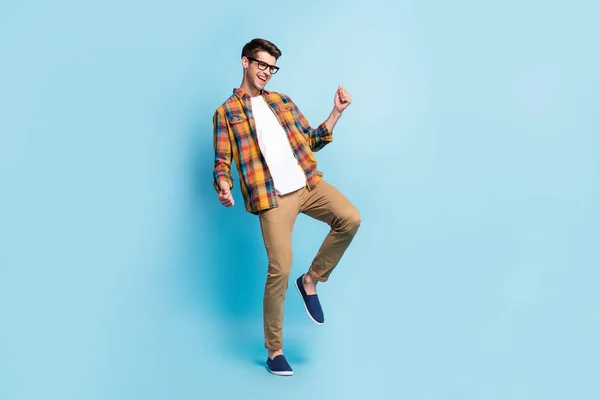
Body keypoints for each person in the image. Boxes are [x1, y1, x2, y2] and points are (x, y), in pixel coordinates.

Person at [212, 38, 361, 376]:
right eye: (261, 64)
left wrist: (336, 113)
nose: (266, 72)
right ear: (245, 62)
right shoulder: (226, 113)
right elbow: (222, 161)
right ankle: (274, 350)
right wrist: (224, 185)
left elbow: (309, 140)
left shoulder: (282, 101)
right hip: (271, 198)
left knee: (350, 218)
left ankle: (311, 280)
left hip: (307, 184)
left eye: (271, 67)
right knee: (279, 268)